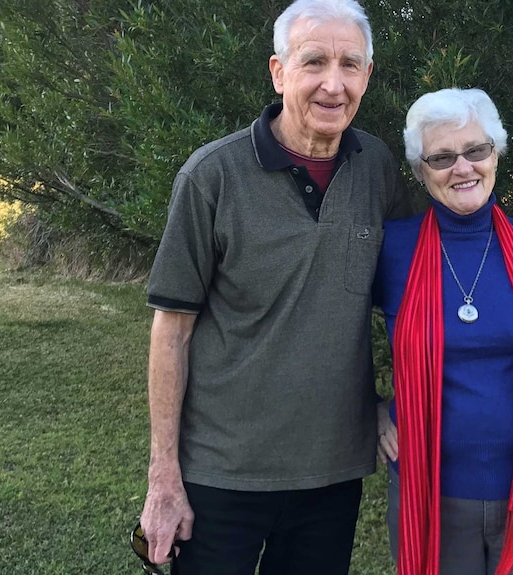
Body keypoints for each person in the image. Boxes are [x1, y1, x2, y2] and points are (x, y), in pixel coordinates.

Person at [138, 0, 413, 573]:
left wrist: (392, 401)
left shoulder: (377, 168)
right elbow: (172, 330)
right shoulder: (211, 176)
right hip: (221, 472)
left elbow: (407, 302)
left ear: (367, 76)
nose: (333, 84)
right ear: (278, 71)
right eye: (314, 62)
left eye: (350, 65)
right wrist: (164, 473)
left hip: (333, 472)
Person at [373, 88, 513, 575]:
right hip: (428, 497)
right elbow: (329, 334)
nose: (463, 167)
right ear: (420, 170)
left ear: (496, 153)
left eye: (476, 150)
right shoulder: (392, 251)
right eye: (442, 157)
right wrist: (370, 409)